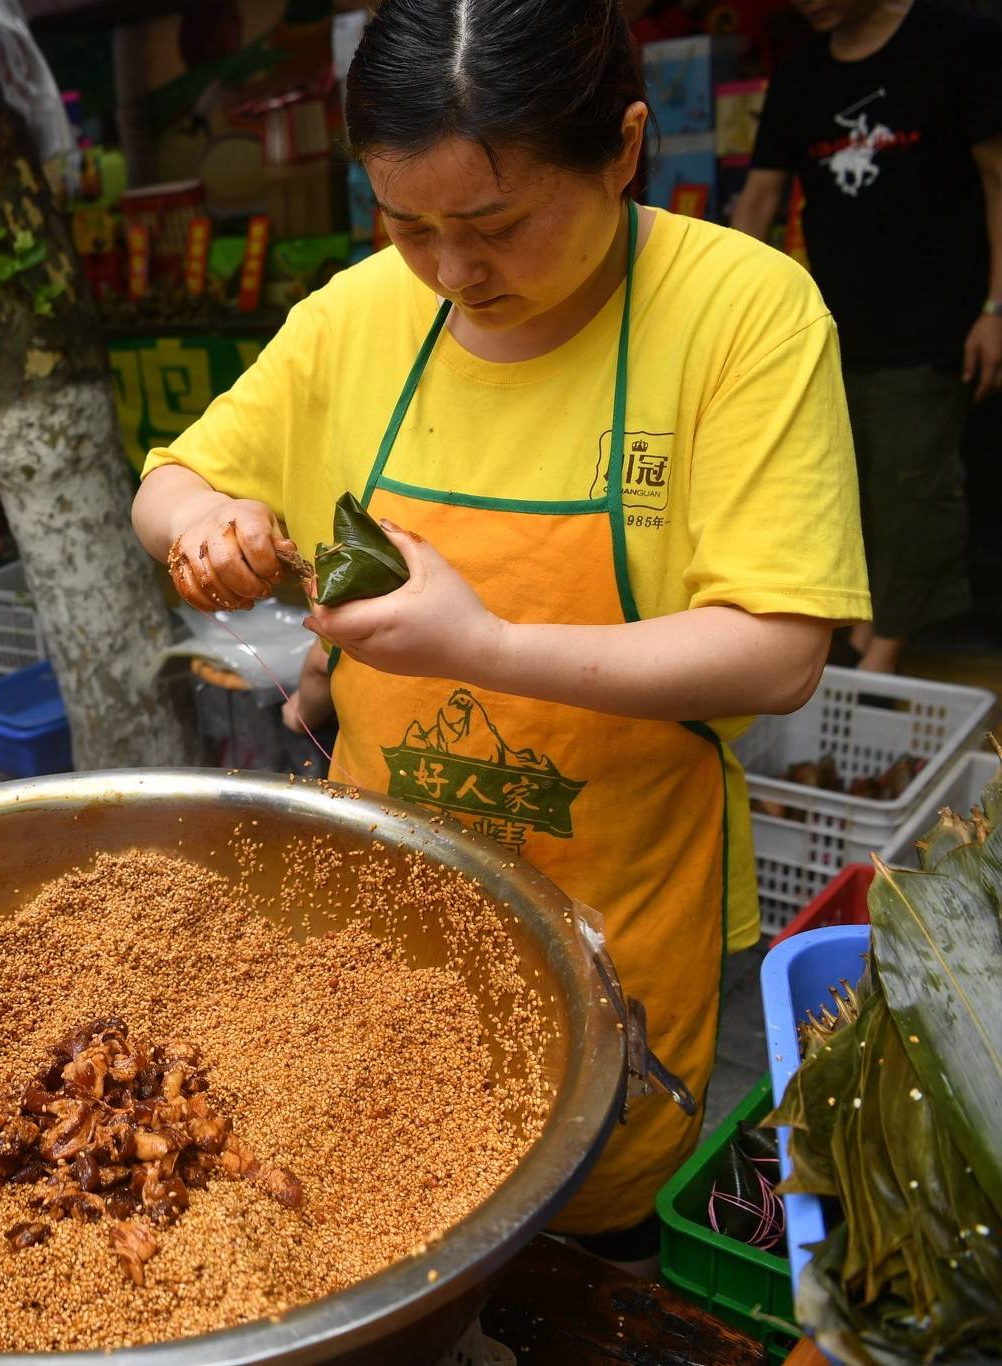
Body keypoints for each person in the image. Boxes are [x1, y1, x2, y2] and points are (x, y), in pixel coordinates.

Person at [134, 0, 868, 1268]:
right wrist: (207, 523)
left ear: (621, 148)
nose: (450, 270)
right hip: (380, 920)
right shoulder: (355, 315)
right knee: (377, 1211)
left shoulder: (742, 313)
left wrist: (478, 645)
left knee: (579, 1246)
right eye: (406, 223)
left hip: (618, 926)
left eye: (493, 224)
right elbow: (169, 482)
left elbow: (776, 647)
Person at [729, 0, 1002, 673]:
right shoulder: (801, 74)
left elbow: (998, 180)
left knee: (911, 489)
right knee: (828, 491)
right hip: (824, 332)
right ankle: (851, 646)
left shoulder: (959, 42)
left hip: (936, 328)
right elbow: (759, 200)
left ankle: (870, 667)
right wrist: (717, 315)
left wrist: (997, 307)